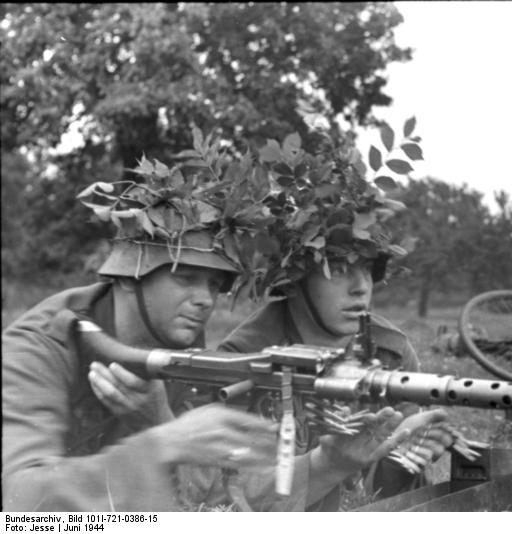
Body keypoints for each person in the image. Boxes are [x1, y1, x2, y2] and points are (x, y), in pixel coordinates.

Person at [1, 150, 415, 512]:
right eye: (186, 277)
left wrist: (329, 465)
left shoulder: (180, 349)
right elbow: (21, 508)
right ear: (130, 275)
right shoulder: (36, 349)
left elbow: (213, 497)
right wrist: (162, 443)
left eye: (215, 285)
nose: (205, 300)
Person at [218, 133, 455, 511]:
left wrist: (401, 453)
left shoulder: (391, 352)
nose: (362, 288)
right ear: (296, 279)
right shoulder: (243, 358)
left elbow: (388, 490)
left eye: (367, 269)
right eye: (340, 268)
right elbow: (225, 502)